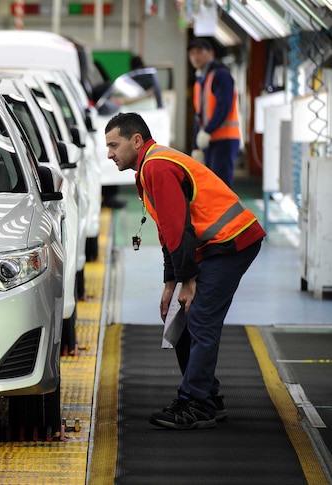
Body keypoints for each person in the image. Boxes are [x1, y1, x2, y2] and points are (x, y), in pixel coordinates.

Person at [104, 112, 265, 430]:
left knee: (201, 319)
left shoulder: (157, 166)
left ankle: (198, 403)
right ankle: (206, 396)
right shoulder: (150, 166)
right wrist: (171, 283)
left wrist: (187, 281)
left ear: (136, 141)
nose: (109, 154)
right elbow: (168, 231)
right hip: (213, 246)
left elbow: (179, 230)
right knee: (183, 321)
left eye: (113, 145)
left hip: (231, 242)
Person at [188, 37, 241, 187]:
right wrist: (195, 147)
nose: (195, 57)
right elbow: (199, 116)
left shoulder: (221, 75)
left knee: (221, 187)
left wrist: (208, 130)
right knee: (211, 187)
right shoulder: (200, 81)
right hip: (210, 141)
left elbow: (224, 106)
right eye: (192, 54)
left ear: (210, 53)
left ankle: (227, 212)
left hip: (224, 140)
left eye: (199, 52)